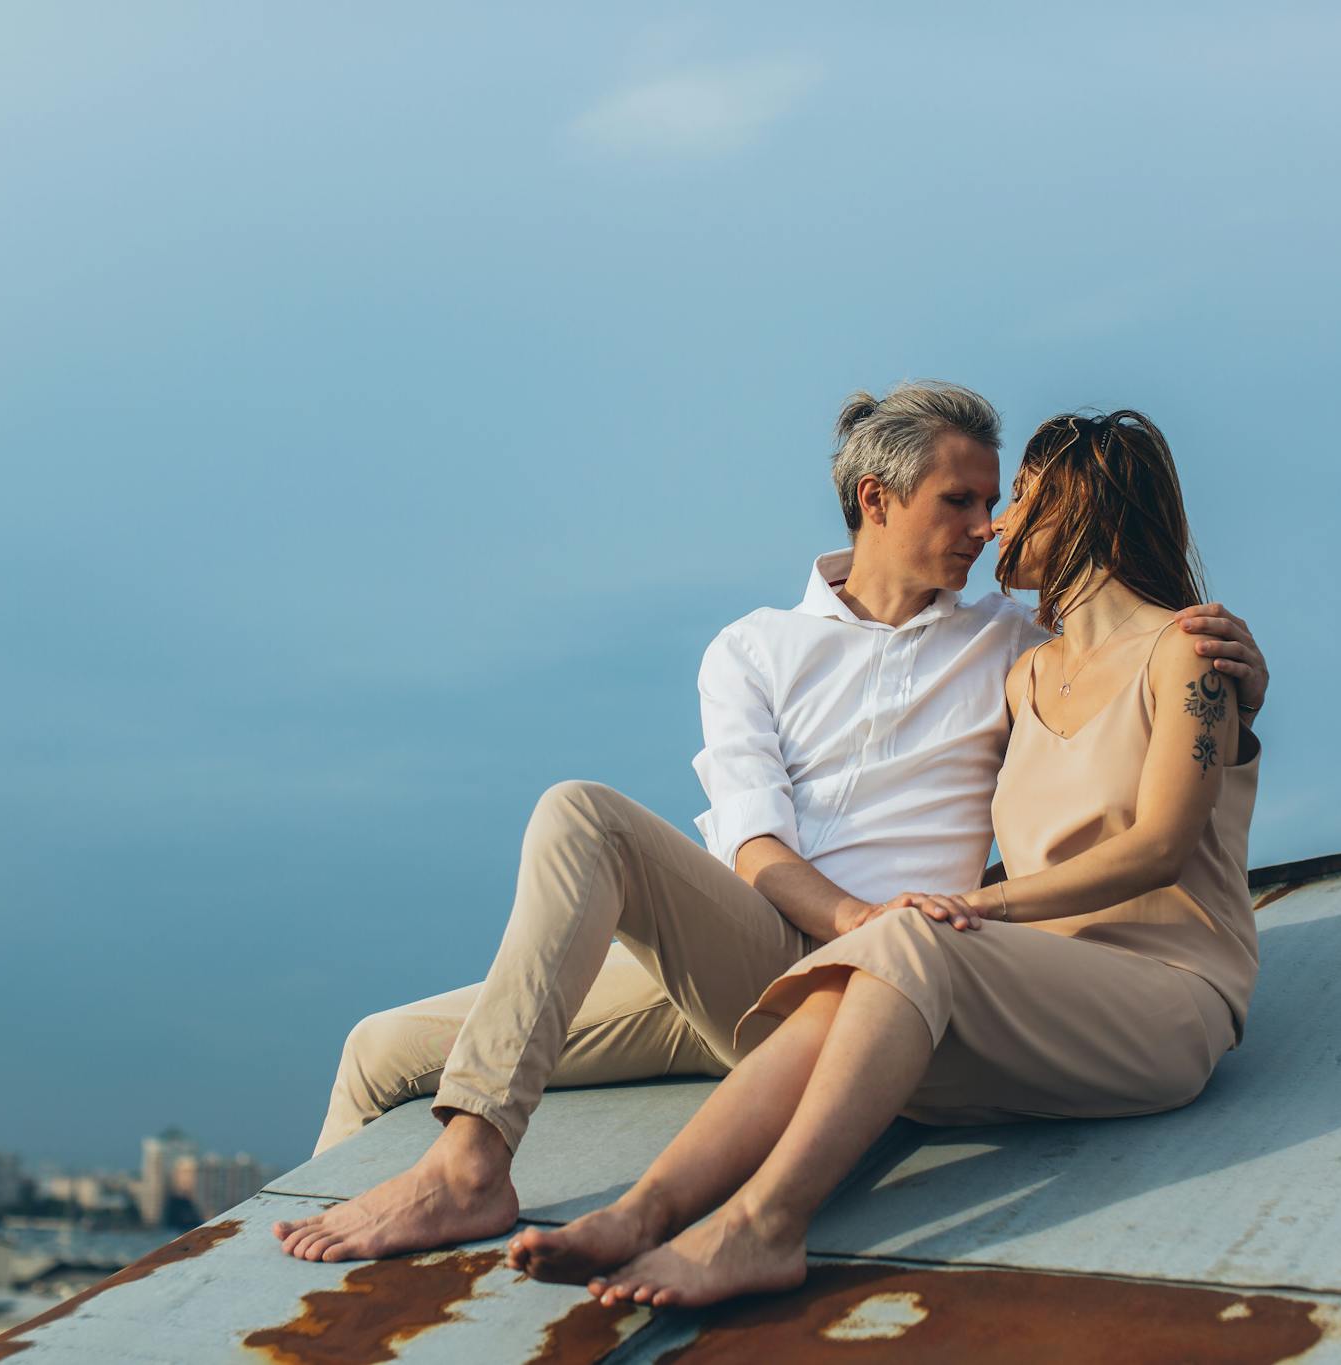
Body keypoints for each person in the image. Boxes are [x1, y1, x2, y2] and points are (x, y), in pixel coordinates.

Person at [272, 384, 1267, 1265]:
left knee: (885, 948)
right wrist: (848, 926)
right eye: (959, 501)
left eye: (996, 499)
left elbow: (1136, 675)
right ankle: (393, 1213)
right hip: (759, 946)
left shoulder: (1005, 640)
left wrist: (1243, 683)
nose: (988, 526)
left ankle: (514, 1183)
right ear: (876, 501)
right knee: (388, 1036)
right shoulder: (753, 647)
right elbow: (751, 847)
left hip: (901, 975)